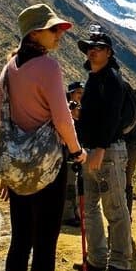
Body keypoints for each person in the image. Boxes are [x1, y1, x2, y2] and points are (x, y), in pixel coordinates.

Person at [0, 3, 87, 271]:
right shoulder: (48, 67)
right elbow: (63, 119)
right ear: (35, 34)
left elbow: (2, 122)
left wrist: (5, 169)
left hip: (18, 168)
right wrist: (77, 151)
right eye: (53, 30)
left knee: (19, 243)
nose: (59, 34)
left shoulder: (9, 69)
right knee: (45, 247)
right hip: (48, 166)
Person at [74, 26, 132, 271]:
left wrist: (99, 148)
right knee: (89, 209)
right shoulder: (95, 79)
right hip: (92, 151)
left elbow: (111, 118)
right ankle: (96, 259)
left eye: (97, 48)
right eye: (89, 49)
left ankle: (121, 262)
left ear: (109, 52)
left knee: (115, 208)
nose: (92, 52)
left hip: (106, 151)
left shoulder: (112, 81)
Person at [62, 81, 84, 227]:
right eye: (78, 93)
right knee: (69, 185)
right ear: (71, 93)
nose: (80, 96)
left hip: (77, 152)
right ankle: (67, 215)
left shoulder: (80, 108)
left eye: (82, 93)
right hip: (67, 154)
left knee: (76, 186)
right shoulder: (64, 108)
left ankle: (75, 213)